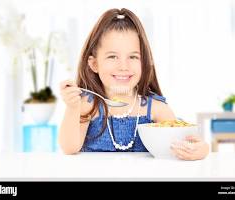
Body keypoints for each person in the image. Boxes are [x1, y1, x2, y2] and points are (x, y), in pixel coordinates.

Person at [59, 8, 209, 160]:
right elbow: (69, 147)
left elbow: (180, 143)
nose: (123, 66)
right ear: (94, 64)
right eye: (112, 57)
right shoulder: (88, 105)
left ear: (145, 62)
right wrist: (72, 107)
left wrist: (201, 149)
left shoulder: (156, 109)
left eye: (133, 57)